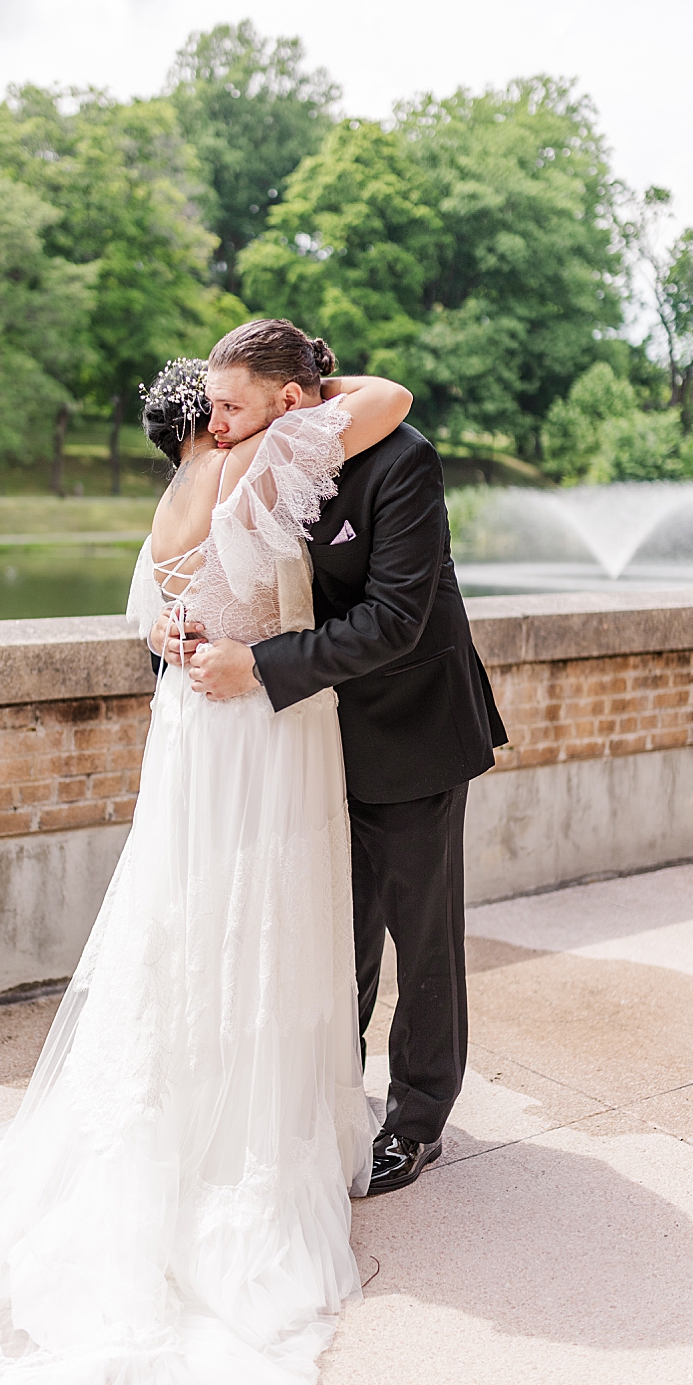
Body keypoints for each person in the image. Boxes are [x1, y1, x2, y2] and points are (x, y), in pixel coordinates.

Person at [0, 327, 411, 1385]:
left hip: (188, 730)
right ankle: (241, 1130)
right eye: (223, 406)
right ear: (216, 416)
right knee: (258, 916)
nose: (236, 418)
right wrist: (298, 390)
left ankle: (190, 1098)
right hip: (257, 729)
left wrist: (252, 401)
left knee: (184, 921)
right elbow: (388, 393)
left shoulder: (172, 500)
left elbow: (157, 626)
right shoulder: (263, 459)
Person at [177, 319, 507, 1194]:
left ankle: (419, 1118)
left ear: (289, 401)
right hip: (310, 744)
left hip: (412, 734)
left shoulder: (403, 461)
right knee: (334, 935)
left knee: (421, 940)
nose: (216, 424)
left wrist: (257, 669)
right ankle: (333, 1103)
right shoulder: (261, 456)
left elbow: (396, 619)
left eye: (230, 406)